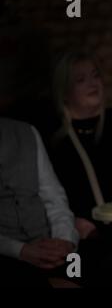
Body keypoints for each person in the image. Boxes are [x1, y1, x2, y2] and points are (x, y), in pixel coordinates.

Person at [50, 50, 112, 286]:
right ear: (65, 91)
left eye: (95, 76)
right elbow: (48, 194)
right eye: (81, 80)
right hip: (85, 236)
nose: (92, 84)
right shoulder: (54, 139)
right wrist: (72, 221)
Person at [0, 117, 79, 287]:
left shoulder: (26, 131)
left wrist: (64, 239)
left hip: (50, 244)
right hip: (9, 255)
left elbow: (54, 197)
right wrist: (21, 251)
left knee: (86, 267)